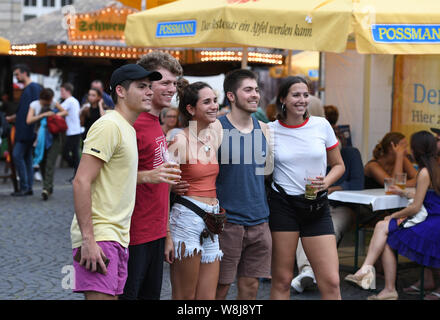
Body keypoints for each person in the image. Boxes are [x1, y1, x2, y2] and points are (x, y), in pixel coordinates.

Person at [70, 63, 162, 300]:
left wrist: (149, 176)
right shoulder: (109, 125)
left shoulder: (127, 128)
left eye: (150, 87)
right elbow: (81, 181)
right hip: (101, 236)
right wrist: (89, 240)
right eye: (142, 87)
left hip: (119, 236)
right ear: (120, 91)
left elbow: (114, 178)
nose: (150, 92)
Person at [267, 76, 345, 300]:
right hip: (283, 207)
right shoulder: (269, 130)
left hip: (317, 206)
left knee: (331, 280)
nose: (302, 100)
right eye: (295, 95)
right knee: (281, 280)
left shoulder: (321, 125)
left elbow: (339, 165)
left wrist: (326, 182)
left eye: (305, 94)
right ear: (283, 99)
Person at [345, 130, 440, 300]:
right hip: (433, 218)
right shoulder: (434, 168)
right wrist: (407, 194)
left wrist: (395, 215)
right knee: (386, 233)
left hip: (430, 221)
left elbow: (416, 207)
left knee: (384, 226)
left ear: (417, 149)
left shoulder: (425, 172)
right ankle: (374, 277)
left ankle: (375, 277)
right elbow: (427, 195)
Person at [120, 51, 183, 300]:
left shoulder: (156, 123)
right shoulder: (131, 123)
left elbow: (161, 186)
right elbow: (106, 177)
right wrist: (149, 175)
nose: (172, 89)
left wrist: (166, 235)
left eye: (175, 84)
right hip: (132, 234)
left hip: (155, 233)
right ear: (146, 85)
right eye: (165, 83)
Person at [215, 69, 272, 300]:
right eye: (248, 90)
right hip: (227, 221)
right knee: (220, 288)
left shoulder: (265, 129)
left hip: (260, 220)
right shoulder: (215, 128)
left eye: (257, 90)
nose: (255, 95)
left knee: (250, 288)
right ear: (231, 95)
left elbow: (266, 173)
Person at [166, 81, 223, 300]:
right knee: (184, 297)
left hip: (213, 218)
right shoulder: (179, 140)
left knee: (207, 297)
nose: (214, 106)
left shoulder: (214, 132)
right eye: (206, 102)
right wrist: (172, 186)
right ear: (191, 109)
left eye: (215, 101)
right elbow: (161, 184)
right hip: (187, 217)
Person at [291, 143, 364, 293]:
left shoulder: (350, 154)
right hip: (315, 205)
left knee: (332, 226)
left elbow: (357, 183)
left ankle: (317, 271)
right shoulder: (311, 155)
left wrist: (329, 188)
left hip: (342, 206)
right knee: (303, 225)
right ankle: (307, 271)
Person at [6, 64, 42, 196]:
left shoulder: (32, 88)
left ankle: (25, 187)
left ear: (24, 73)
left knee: (17, 156)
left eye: (17, 74)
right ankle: (27, 187)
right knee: (26, 158)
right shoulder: (31, 88)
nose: (16, 77)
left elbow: (33, 110)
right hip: (25, 129)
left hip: (26, 130)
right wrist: (13, 117)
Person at [26, 88, 68, 200]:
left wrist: (54, 114)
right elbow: (29, 120)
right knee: (43, 163)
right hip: (40, 138)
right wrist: (43, 115)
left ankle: (45, 188)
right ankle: (49, 187)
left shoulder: (53, 103)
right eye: (49, 100)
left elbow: (65, 112)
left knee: (50, 163)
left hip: (54, 137)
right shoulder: (34, 105)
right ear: (44, 99)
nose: (51, 102)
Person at [60, 83, 81, 181]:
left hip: (73, 131)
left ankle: (79, 169)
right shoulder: (74, 100)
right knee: (75, 153)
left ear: (68, 91)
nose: (61, 93)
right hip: (75, 130)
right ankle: (77, 173)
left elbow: (58, 109)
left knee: (66, 153)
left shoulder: (69, 101)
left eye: (62, 91)